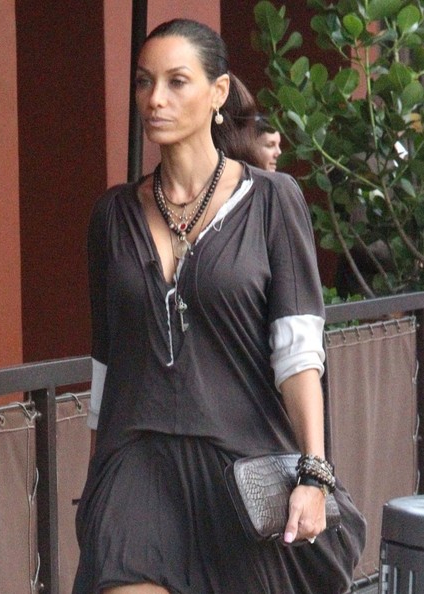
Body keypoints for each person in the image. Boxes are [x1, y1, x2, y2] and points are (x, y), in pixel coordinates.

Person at [73, 18, 366, 594]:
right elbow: (106, 362)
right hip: (136, 466)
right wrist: (96, 484)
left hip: (239, 468)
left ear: (219, 92)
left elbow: (298, 350)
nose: (154, 99)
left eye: (176, 81)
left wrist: (314, 473)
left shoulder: (272, 201)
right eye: (144, 81)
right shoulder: (112, 216)